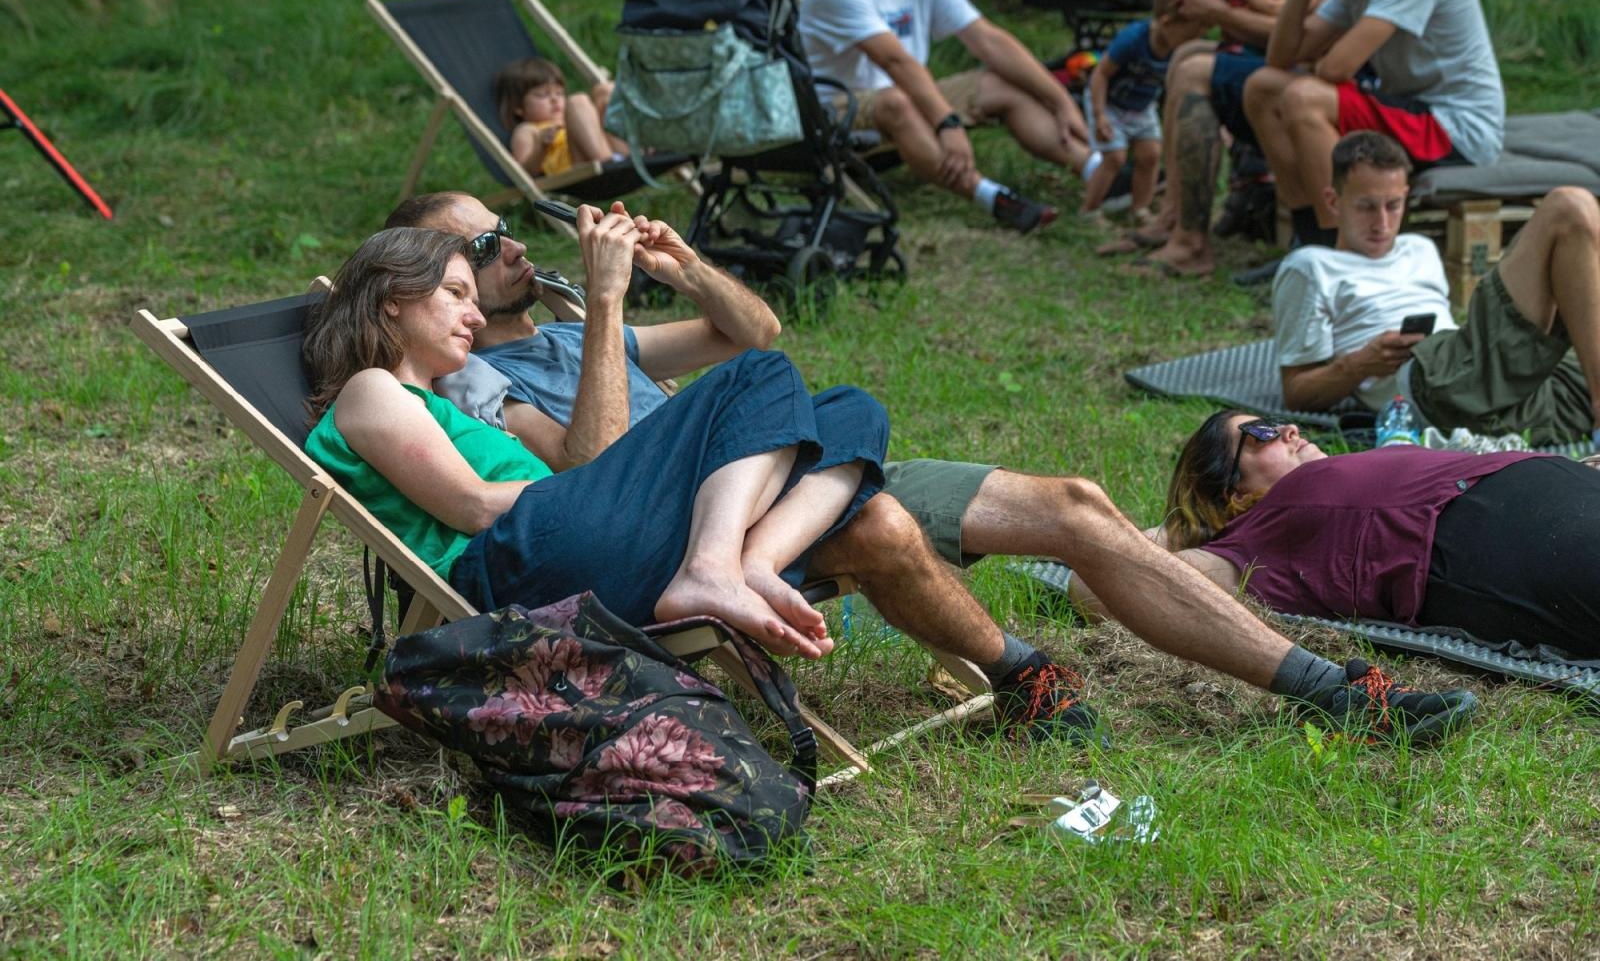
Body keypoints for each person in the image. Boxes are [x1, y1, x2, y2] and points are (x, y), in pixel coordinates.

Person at [392, 190, 1484, 746]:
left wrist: (680, 268)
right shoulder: (475, 387)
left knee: (1072, 503)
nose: (516, 249)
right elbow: (592, 474)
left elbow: (750, 330)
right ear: (444, 287)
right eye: (484, 249)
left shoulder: (571, 329)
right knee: (874, 530)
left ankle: (1322, 690)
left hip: (781, 481)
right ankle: (1026, 673)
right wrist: (614, 307)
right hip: (684, 525)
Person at [1159, 409, 1600, 660]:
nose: (1290, 430)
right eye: (1261, 433)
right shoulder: (1258, 539)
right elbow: (1136, 570)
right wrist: (1184, 526)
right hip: (1502, 537)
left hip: (1551, 489)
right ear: (1233, 491)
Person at [1271, 131, 1600, 449]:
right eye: (1366, 206)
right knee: (1570, 207)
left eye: (1393, 205)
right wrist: (1361, 364)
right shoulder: (1310, 267)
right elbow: (1296, 392)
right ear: (1332, 201)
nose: (1382, 223)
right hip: (1424, 386)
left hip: (1481, 384)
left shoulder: (1421, 248)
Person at [796, 0, 1094, 234]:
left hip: (905, 99)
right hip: (836, 114)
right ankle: (995, 199)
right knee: (897, 101)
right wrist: (947, 123)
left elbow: (988, 40)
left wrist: (1060, 100)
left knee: (998, 84)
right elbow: (896, 62)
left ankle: (1098, 171)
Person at [1244, 0, 1503, 249]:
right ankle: (1308, 242)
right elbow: (1281, 58)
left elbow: (1336, 67)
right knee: (1263, 87)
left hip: (1455, 125)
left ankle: (1339, 252)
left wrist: (1317, 66)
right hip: (1411, 108)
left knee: (1305, 98)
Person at [1097, 0, 1292, 276]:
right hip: (1275, 63)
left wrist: (1219, 10)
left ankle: (1190, 243)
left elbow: (1291, 28)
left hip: (1297, 73)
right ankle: (1173, 213)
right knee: (1185, 58)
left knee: (1193, 70)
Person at [1079, 0, 1207, 222]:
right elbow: (1100, 75)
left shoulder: (1178, 48)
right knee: (1114, 157)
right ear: (1167, 23)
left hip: (1141, 107)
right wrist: (1099, 115)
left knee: (1150, 155)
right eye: (1192, 33)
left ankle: (1140, 208)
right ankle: (1090, 209)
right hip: (1110, 103)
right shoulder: (1133, 39)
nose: (1196, 39)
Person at [494, 58, 624, 179]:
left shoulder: (569, 119)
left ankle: (631, 152)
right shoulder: (528, 130)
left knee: (605, 90)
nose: (554, 99)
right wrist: (541, 147)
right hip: (576, 166)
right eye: (543, 95)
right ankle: (610, 163)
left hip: (611, 150)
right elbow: (524, 174)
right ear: (518, 107)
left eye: (559, 93)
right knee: (577, 101)